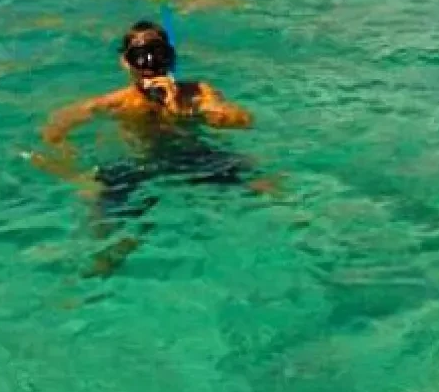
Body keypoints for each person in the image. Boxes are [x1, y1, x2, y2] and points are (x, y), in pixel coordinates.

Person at [31, 21, 270, 275]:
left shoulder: (197, 92)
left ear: (170, 58)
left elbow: (242, 121)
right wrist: (72, 164)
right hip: (140, 167)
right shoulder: (117, 103)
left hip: (191, 157)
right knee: (110, 228)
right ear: (126, 62)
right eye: (139, 57)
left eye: (158, 55)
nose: (149, 65)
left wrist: (184, 109)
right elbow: (56, 126)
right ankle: (97, 274)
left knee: (263, 185)